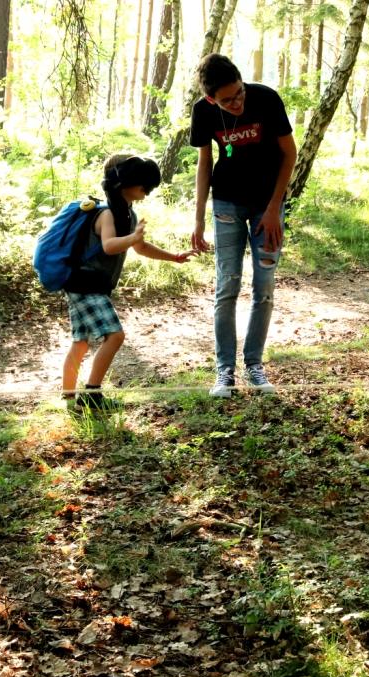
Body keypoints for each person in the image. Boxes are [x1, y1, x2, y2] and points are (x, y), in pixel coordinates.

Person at [189, 54, 297, 398]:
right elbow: (205, 162)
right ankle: (225, 371)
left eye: (239, 93)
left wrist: (274, 208)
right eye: (227, 100)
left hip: (268, 205)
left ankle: (254, 365)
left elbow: (289, 153)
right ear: (211, 100)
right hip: (226, 204)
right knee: (227, 285)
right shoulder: (203, 112)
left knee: (263, 286)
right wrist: (198, 218)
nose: (237, 103)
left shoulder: (266, 98)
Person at [62, 154, 197, 412]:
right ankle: (91, 397)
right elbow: (109, 245)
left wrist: (174, 257)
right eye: (144, 184)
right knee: (115, 336)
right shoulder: (106, 214)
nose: (147, 190)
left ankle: (70, 401)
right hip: (84, 283)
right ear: (124, 182)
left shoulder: (128, 214)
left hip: (90, 284)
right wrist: (132, 238)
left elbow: (141, 247)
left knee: (81, 341)